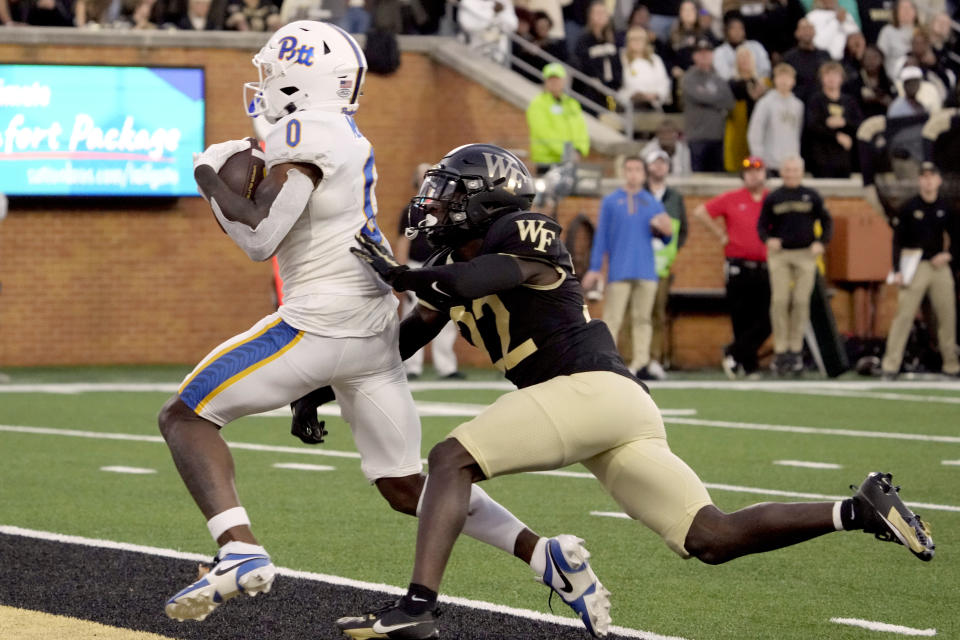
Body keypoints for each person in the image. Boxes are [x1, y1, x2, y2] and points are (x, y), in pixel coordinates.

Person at [334, 141, 934, 639]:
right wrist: (322, 385)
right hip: (605, 407)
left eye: (452, 191)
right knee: (711, 536)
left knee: (449, 459)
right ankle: (858, 509)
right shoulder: (449, 264)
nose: (438, 201)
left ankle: (416, 607)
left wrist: (403, 275)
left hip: (588, 390)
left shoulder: (523, 229)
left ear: (486, 199)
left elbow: (483, 278)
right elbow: (405, 338)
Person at [158, 23, 588, 628]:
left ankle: (237, 549)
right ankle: (544, 554)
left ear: (297, 77)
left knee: (184, 417)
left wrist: (205, 175)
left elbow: (259, 236)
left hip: (320, 321)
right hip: (374, 333)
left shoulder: (303, 131)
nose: (264, 84)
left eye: (273, 72)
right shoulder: (338, 131)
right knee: (406, 485)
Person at [581, 156, 674, 379]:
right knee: (613, 318)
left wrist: (665, 230)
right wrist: (595, 268)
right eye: (629, 169)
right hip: (619, 269)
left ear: (643, 174)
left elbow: (666, 238)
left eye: (637, 170)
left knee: (643, 318)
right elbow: (601, 235)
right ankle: (608, 360)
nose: (633, 174)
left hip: (646, 269)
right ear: (623, 172)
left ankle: (640, 362)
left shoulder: (652, 202)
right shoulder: (611, 201)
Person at [694, 156, 771, 378]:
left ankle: (734, 352)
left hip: (766, 266)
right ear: (743, 176)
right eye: (749, 171)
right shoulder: (732, 198)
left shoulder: (770, 199)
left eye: (758, 171)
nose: (754, 175)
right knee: (741, 317)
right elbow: (701, 212)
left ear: (765, 174)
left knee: (767, 318)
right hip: (738, 265)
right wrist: (720, 234)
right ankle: (748, 365)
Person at [880, 162, 959, 379]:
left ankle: (951, 365)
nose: (928, 180)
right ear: (919, 180)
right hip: (914, 264)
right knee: (904, 315)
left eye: (932, 176)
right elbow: (897, 241)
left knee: (946, 316)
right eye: (924, 176)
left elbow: (957, 238)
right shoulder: (909, 207)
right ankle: (891, 365)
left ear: (938, 180)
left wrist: (948, 254)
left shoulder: (946, 207)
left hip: (938, 265)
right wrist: (897, 269)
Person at [757, 155, 833, 376]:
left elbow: (827, 222)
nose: (791, 174)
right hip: (780, 255)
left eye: (795, 170)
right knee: (780, 301)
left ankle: (795, 350)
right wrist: (768, 239)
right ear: (782, 172)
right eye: (787, 170)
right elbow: (762, 225)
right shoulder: (774, 197)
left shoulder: (812, 196)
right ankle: (781, 351)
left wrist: (822, 243)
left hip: (805, 254)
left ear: (801, 171)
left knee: (801, 301)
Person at [395, 163, 465, 380]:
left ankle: (447, 367)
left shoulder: (449, 207)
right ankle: (411, 367)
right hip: (417, 266)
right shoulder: (412, 210)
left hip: (441, 267)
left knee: (445, 316)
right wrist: (402, 272)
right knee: (411, 316)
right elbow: (403, 242)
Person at [645, 149, 688, 379]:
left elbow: (683, 231)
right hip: (639, 264)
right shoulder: (639, 194)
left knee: (657, 314)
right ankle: (634, 359)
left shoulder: (675, 197)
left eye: (663, 163)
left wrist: (671, 251)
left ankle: (654, 359)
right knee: (636, 314)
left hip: (661, 265)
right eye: (655, 163)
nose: (659, 167)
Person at [682, 38, 736, 172]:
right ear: (694, 56)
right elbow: (699, 96)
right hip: (697, 136)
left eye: (707, 53)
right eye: (700, 53)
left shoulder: (718, 77)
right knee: (697, 176)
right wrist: (716, 100)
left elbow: (729, 102)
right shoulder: (688, 78)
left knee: (718, 175)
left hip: (718, 135)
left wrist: (707, 99)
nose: (704, 56)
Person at [526, 62, 590, 174]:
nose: (554, 82)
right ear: (545, 81)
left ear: (563, 81)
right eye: (550, 79)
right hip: (547, 163)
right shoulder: (537, 104)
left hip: (571, 161)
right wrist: (567, 153)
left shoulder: (572, 104)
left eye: (557, 79)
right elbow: (544, 133)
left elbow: (582, 130)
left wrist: (580, 149)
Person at [804, 60, 862, 177]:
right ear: (821, 78)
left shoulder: (849, 101)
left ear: (842, 78)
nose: (831, 78)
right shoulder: (816, 100)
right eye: (827, 75)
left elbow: (859, 123)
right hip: (821, 159)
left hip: (844, 160)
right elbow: (812, 126)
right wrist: (835, 136)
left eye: (835, 75)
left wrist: (844, 122)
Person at [748, 62, 804, 175]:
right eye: (780, 77)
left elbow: (798, 133)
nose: (784, 81)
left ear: (793, 81)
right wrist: (759, 158)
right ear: (775, 80)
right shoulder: (765, 103)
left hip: (790, 165)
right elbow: (755, 132)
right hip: (769, 164)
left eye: (787, 77)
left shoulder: (798, 105)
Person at [724, 44, 769, 172]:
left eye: (747, 57)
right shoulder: (732, 83)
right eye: (741, 57)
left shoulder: (761, 82)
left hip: (757, 123)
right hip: (738, 126)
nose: (744, 61)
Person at [573, 0, 623, 111]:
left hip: (611, 89)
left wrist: (616, 84)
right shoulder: (584, 39)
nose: (600, 16)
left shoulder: (614, 39)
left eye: (603, 13)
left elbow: (618, 65)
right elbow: (579, 63)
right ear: (590, 16)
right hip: (590, 90)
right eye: (597, 13)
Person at [618, 25, 672, 111]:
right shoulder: (622, 59)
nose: (637, 42)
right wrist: (633, 95)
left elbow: (664, 82)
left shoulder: (655, 59)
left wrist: (656, 94)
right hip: (630, 106)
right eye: (633, 39)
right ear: (628, 42)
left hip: (653, 104)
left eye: (640, 39)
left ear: (646, 41)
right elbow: (618, 85)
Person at [783, 17, 832, 102]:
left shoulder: (825, 55)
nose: (807, 32)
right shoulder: (789, 57)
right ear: (796, 33)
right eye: (803, 29)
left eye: (810, 28)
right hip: (799, 102)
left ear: (814, 31)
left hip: (824, 101)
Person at [712, 13, 771, 81]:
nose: (737, 31)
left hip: (759, 84)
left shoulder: (756, 46)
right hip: (733, 87)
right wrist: (744, 75)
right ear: (726, 31)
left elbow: (766, 69)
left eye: (740, 28)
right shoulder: (719, 51)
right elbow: (723, 75)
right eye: (733, 28)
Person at [458, 0, 519, 65]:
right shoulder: (469, 2)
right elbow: (468, 25)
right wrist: (493, 12)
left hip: (497, 57)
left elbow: (513, 25)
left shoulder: (504, 2)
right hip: (472, 53)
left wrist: (500, 14)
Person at [878, 0, 920, 81]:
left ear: (915, 12)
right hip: (894, 78)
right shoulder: (887, 31)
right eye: (902, 8)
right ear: (896, 12)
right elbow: (879, 57)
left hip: (917, 78)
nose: (906, 11)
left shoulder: (921, 33)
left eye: (909, 8)